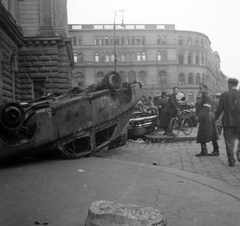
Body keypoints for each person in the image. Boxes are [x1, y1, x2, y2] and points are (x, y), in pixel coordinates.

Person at [215, 78, 240, 167]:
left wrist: (214, 118)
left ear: (229, 84)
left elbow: (219, 109)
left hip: (228, 121)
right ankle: (239, 153)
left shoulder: (224, 95)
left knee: (229, 141)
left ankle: (231, 160)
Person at [196, 83, 219, 157]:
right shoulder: (205, 96)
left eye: (201, 88)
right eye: (199, 88)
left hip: (206, 117)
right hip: (208, 116)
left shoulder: (206, 96)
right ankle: (213, 150)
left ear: (205, 88)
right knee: (211, 133)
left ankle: (207, 150)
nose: (200, 89)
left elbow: (206, 108)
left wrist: (199, 117)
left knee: (203, 133)